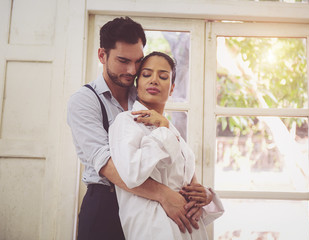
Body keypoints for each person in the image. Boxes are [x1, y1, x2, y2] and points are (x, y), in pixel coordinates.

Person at [67, 17, 202, 240]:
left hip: (147, 207)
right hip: (106, 204)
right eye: (123, 60)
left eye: (137, 61)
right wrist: (164, 195)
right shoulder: (84, 101)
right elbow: (109, 166)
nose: (132, 70)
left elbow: (171, 147)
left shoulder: (144, 91)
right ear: (102, 55)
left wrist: (194, 190)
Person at [109, 51, 224, 240]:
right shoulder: (125, 122)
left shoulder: (174, 133)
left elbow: (187, 184)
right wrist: (163, 129)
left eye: (163, 77)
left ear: (171, 88)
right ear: (137, 84)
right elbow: (132, 173)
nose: (154, 80)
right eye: (146, 75)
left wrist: (204, 196)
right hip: (154, 230)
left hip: (189, 231)